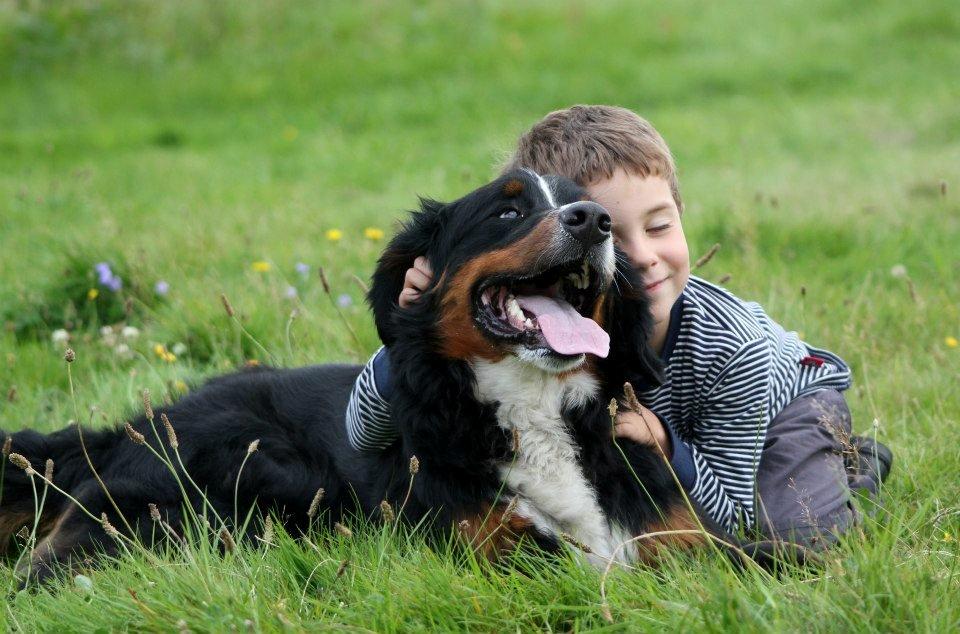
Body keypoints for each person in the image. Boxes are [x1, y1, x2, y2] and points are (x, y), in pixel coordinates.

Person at [344, 105, 892, 547]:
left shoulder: (735, 347)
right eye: (609, 233)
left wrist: (669, 448)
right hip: (656, 424)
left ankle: (854, 463)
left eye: (658, 226)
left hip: (781, 409)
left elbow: (728, 508)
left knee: (793, 532)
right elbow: (364, 431)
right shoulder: (559, 318)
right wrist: (413, 320)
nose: (642, 257)